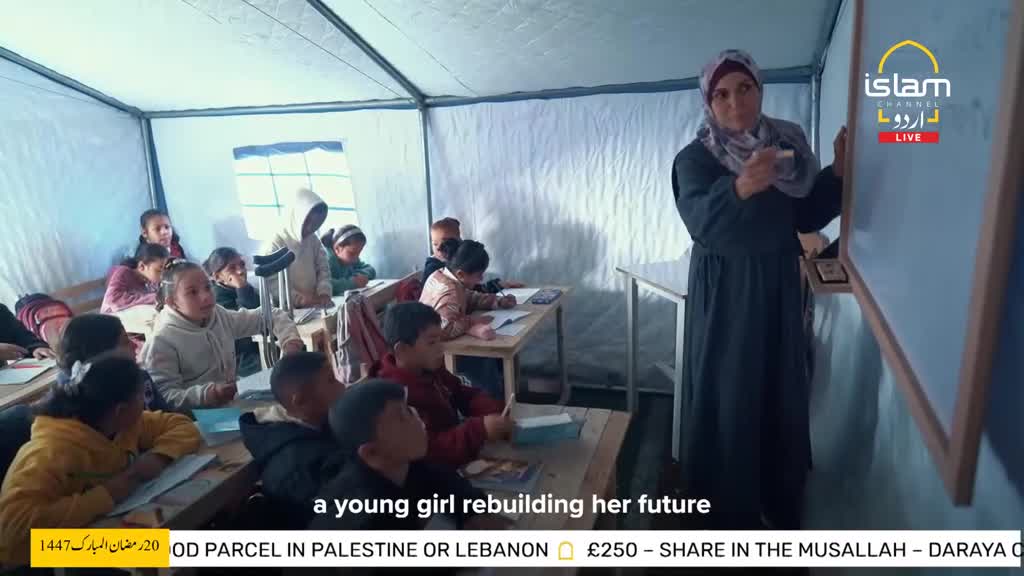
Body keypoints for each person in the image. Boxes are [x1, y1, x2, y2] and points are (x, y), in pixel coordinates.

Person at [672, 49, 845, 530]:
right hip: (727, 293)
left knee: (778, 385)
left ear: (759, 90)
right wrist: (740, 188)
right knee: (732, 389)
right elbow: (701, 222)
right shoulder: (696, 158)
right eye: (722, 94)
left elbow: (805, 214)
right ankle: (724, 507)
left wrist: (837, 173)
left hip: (777, 286)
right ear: (709, 102)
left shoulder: (787, 146)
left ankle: (775, 492)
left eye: (744, 89)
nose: (735, 103)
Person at [0, 354, 200, 565]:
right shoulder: (48, 453)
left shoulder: (123, 425)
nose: (144, 404)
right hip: (39, 555)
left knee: (200, 539)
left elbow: (180, 425)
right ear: (120, 409)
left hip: (103, 526)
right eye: (141, 397)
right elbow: (12, 530)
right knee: (189, 549)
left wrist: (159, 457)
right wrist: (108, 494)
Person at [308, 379, 510, 532]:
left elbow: (446, 482)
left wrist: (473, 512)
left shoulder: (405, 463)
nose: (417, 418)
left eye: (409, 409)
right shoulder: (365, 522)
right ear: (372, 452)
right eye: (402, 416)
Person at [142, 260, 304, 413]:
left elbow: (271, 315)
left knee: (292, 405)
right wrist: (208, 394)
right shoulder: (162, 340)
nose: (205, 296)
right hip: (195, 422)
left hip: (232, 403)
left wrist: (290, 343)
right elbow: (162, 398)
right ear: (172, 302)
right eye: (192, 292)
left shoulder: (218, 315)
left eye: (207, 287)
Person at [371, 302, 510, 468]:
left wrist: (492, 409)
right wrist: (480, 430)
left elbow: (460, 392)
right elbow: (429, 449)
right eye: (431, 343)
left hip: (459, 450)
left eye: (440, 340)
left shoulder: (428, 368)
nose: (441, 348)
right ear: (402, 350)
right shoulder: (395, 398)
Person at [239, 351, 346, 529]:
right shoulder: (297, 471)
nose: (342, 386)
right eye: (330, 380)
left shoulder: (323, 424)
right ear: (301, 401)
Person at [59, 313, 168, 412]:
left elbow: (170, 416)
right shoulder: (85, 407)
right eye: (125, 342)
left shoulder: (142, 378)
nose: (135, 345)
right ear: (100, 356)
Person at [419, 239, 516, 341]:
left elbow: (470, 297)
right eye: (479, 275)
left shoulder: (443, 274)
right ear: (461, 274)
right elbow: (444, 330)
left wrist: (498, 301)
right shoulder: (449, 292)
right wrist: (472, 322)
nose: (481, 279)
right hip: (436, 351)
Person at [263, 188, 332, 308]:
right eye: (307, 222)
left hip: (314, 305)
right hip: (287, 310)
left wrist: (324, 292)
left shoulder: (313, 239)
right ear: (295, 217)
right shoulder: (275, 242)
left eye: (317, 224)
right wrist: (299, 299)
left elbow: (323, 269)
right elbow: (272, 282)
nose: (311, 228)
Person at [423, 217, 524, 292]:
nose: (439, 248)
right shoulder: (434, 271)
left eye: (446, 241)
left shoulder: (457, 262)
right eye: (434, 243)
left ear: (459, 241)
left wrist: (498, 285)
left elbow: (471, 291)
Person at [204, 247, 262, 378]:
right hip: (241, 360)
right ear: (217, 277)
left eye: (242, 265)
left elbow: (265, 312)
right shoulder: (216, 300)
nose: (241, 271)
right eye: (232, 268)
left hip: (261, 347)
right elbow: (246, 326)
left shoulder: (245, 288)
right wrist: (242, 289)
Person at [101, 243, 169, 314]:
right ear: (142, 266)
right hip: (112, 319)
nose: (164, 274)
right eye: (159, 270)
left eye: (166, 269)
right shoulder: (123, 272)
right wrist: (154, 297)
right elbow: (113, 300)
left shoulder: (151, 281)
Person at [323, 225, 377, 296]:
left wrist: (358, 276)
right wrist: (352, 283)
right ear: (337, 249)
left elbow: (371, 270)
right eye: (352, 253)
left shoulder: (351, 258)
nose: (356, 257)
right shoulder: (326, 259)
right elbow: (323, 284)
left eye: (359, 252)